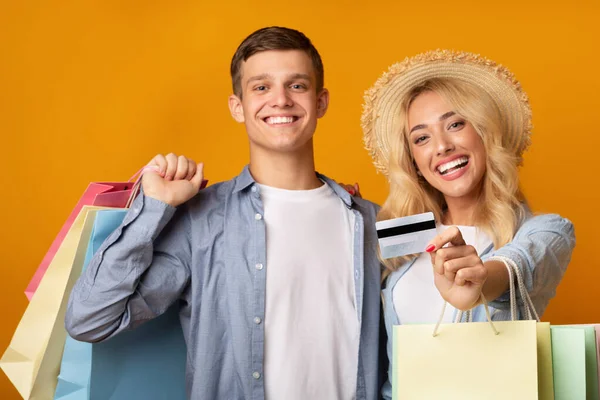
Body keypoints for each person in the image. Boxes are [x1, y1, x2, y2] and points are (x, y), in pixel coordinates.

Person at [65, 26, 383, 400]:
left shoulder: (374, 221)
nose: (280, 100)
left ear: (321, 101)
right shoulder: (201, 220)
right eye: (261, 87)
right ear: (238, 106)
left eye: (296, 85)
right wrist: (155, 209)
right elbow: (89, 318)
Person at [360, 50, 575, 398]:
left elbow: (514, 267)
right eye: (421, 137)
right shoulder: (405, 237)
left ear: (485, 133)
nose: (442, 146)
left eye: (455, 124)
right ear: (414, 161)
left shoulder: (546, 232)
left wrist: (477, 281)